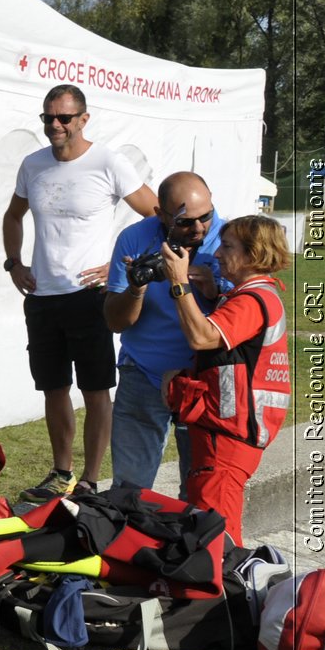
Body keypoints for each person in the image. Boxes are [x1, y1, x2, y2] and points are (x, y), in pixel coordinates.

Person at [2, 84, 157, 501]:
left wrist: (119, 262)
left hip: (91, 297)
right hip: (43, 298)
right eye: (48, 117)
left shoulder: (108, 161)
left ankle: (89, 479)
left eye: (64, 118)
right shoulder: (32, 165)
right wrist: (14, 262)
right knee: (52, 388)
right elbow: (13, 216)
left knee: (94, 389)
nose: (55, 125)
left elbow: (157, 215)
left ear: (83, 119)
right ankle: (61, 472)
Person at [162, 215, 292, 546]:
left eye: (228, 246)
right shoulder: (254, 295)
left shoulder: (250, 301)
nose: (217, 253)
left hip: (228, 439)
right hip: (226, 433)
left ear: (254, 254)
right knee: (209, 526)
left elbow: (203, 338)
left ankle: (222, 595)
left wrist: (180, 283)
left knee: (214, 540)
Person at [103, 172, 226, 491]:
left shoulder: (229, 239)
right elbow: (115, 322)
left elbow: (249, 309)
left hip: (205, 378)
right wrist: (136, 288)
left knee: (202, 493)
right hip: (143, 372)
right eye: (185, 222)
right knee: (129, 490)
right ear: (160, 214)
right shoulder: (133, 239)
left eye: (206, 217)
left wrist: (215, 287)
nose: (199, 230)